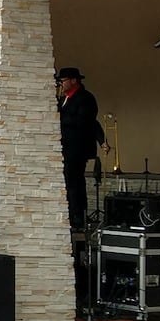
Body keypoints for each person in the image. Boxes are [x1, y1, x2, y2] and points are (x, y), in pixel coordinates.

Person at [57, 67, 107, 230]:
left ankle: (77, 216)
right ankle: (70, 213)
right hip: (64, 147)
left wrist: (58, 117)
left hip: (77, 147)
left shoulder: (85, 99)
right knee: (69, 182)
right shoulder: (62, 99)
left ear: (74, 80)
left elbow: (85, 121)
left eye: (63, 81)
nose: (61, 84)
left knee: (74, 182)